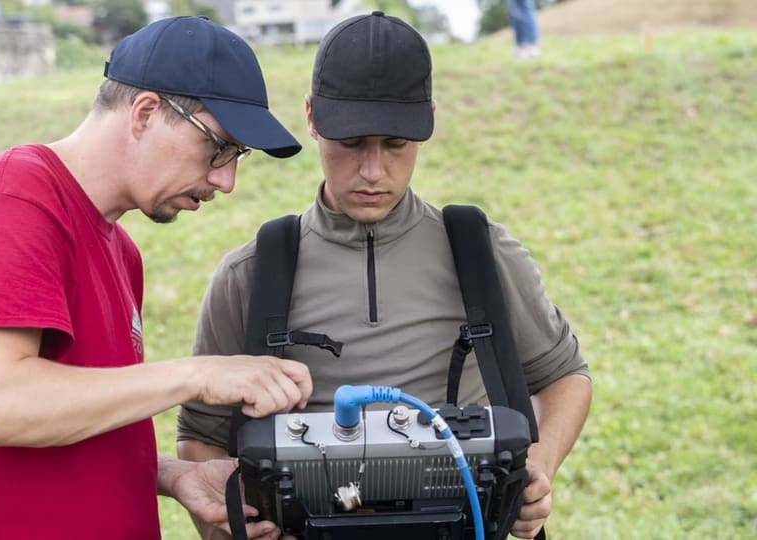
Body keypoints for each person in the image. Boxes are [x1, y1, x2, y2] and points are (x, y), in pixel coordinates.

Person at [0, 16, 315, 540]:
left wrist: (167, 473)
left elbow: (70, 412)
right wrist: (199, 374)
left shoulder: (122, 252)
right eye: (219, 147)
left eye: (237, 158)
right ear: (145, 113)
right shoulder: (13, 199)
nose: (225, 180)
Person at [176, 11, 591, 540]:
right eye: (350, 143)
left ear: (428, 122)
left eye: (395, 144)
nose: (372, 171)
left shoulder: (481, 252)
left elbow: (565, 375)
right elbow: (200, 433)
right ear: (311, 117)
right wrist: (226, 526)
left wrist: (539, 469)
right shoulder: (251, 274)